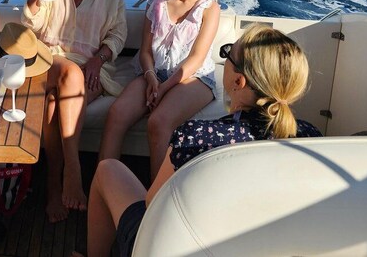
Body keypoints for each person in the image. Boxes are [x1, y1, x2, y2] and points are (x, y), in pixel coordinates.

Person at [86, 25, 322, 257]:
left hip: (177, 248)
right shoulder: (310, 137)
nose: (225, 59)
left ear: (238, 82)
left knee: (108, 169)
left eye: (228, 54)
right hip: (264, 247)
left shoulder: (195, 138)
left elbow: (153, 205)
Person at [23, 0, 127, 222]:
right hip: (50, 60)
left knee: (53, 105)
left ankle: (54, 187)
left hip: (91, 66)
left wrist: (98, 60)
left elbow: (118, 35)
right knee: (69, 72)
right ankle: (74, 169)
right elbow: (31, 24)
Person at [98, 0, 221, 182]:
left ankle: (157, 196)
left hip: (194, 78)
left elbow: (196, 58)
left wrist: (163, 88)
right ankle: (103, 185)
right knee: (116, 114)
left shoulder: (209, 8)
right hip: (153, 72)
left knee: (158, 122)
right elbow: (145, 51)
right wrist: (151, 78)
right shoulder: (155, 3)